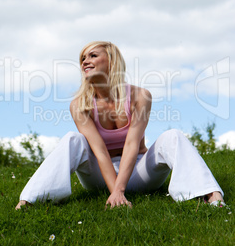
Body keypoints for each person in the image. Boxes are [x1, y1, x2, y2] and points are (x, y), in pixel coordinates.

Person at [16, 41, 225, 210]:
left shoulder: (140, 96)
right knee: (73, 139)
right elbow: (99, 151)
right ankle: (31, 201)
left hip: (139, 172)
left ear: (112, 60)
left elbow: (132, 144)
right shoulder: (79, 105)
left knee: (173, 136)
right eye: (82, 58)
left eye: (93, 56)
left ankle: (209, 195)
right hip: (99, 175)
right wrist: (114, 191)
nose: (85, 61)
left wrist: (121, 189)